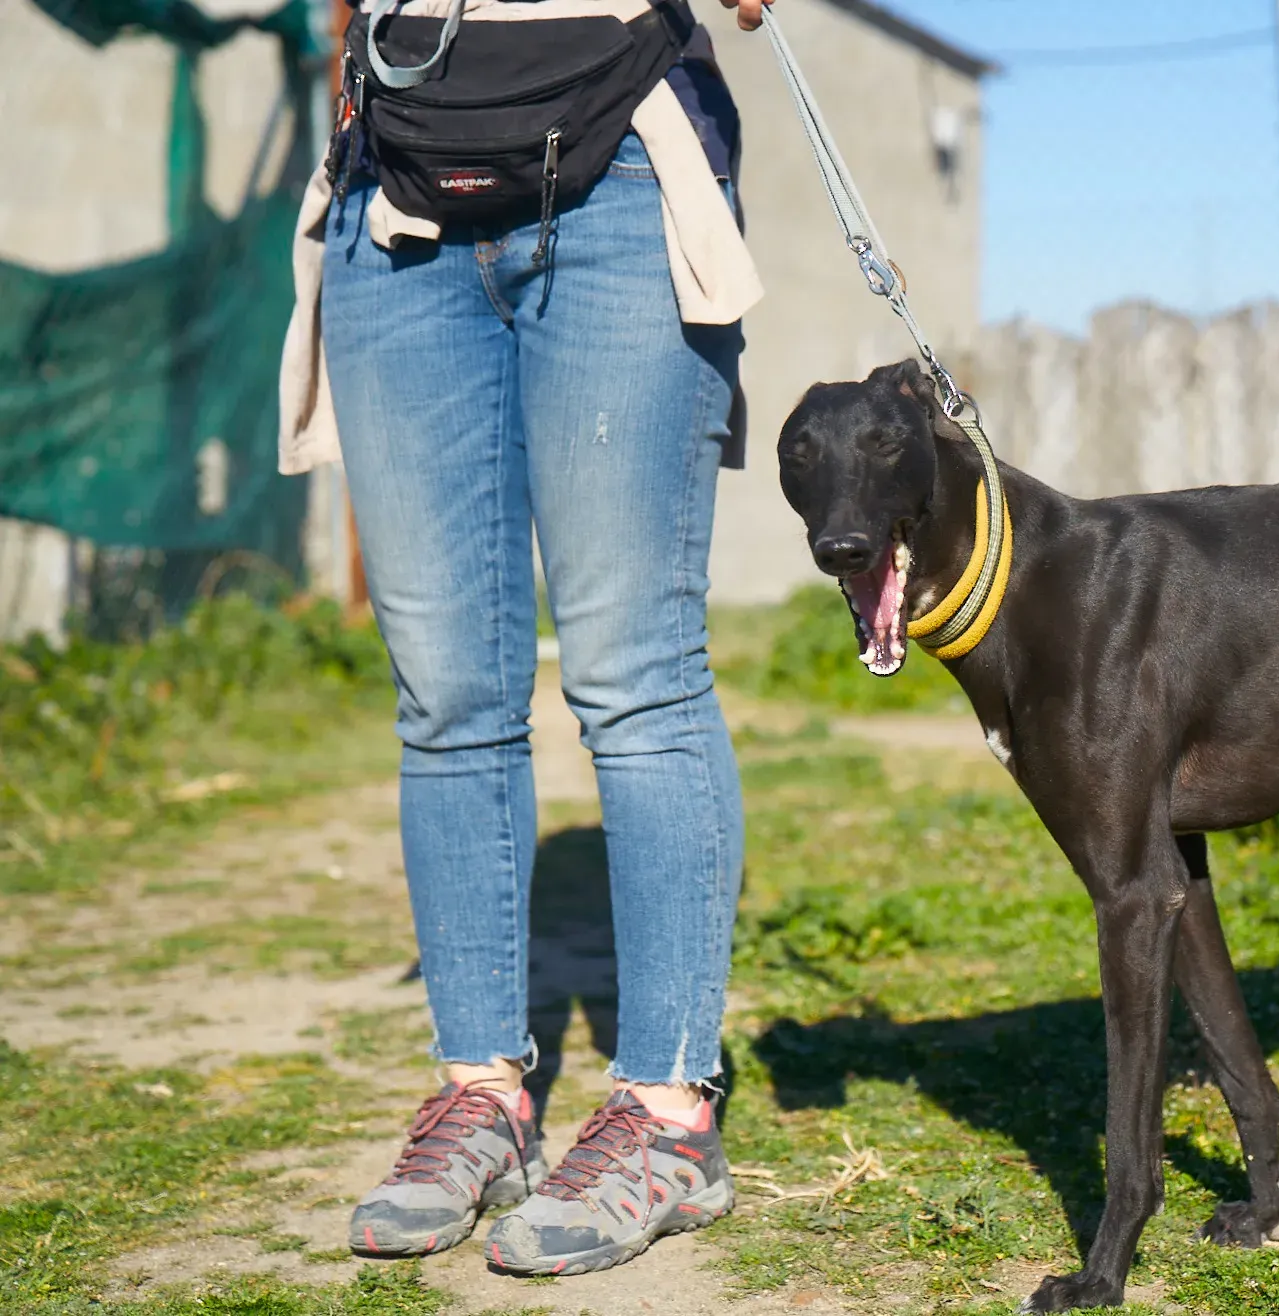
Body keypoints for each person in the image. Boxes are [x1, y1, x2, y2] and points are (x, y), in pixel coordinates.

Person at [276, 0, 775, 1277]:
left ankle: (668, 1117)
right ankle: (482, 1101)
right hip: (395, 187)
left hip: (615, 166)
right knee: (445, 692)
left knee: (633, 676)